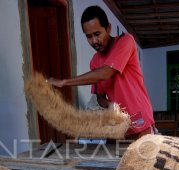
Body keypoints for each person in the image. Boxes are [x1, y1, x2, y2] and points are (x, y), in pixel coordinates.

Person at [48, 5, 155, 140]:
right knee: (111, 158)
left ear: (108, 28)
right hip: (118, 124)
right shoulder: (94, 61)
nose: (94, 41)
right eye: (89, 36)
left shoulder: (126, 41)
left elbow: (105, 73)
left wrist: (64, 82)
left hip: (140, 119)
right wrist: (109, 104)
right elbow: (99, 96)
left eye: (97, 34)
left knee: (142, 158)